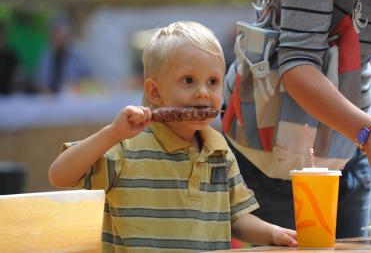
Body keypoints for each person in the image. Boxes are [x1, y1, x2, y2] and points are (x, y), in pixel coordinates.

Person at [48, 21, 297, 252]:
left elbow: (235, 217)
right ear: (155, 92)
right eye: (188, 81)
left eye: (213, 82)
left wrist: (274, 233)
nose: (202, 92)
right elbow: (60, 175)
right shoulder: (127, 145)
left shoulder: (219, 149)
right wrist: (112, 133)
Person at [223, 0, 371, 238]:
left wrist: (369, 134)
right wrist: (370, 132)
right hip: (273, 146)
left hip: (350, 147)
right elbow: (297, 64)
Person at [36, 15, 91, 93]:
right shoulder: (46, 54)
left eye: (58, 31)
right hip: (49, 99)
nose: (55, 35)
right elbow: (40, 80)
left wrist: (74, 86)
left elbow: (88, 80)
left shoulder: (79, 54)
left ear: (68, 33)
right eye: (53, 31)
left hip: (73, 100)